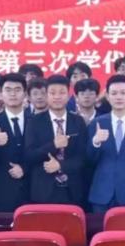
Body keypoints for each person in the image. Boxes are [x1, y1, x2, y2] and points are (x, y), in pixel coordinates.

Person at [86, 74, 125, 213]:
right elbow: (89, 161)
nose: (118, 97)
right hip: (101, 194)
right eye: (114, 93)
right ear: (107, 96)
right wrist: (96, 142)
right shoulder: (97, 123)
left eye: (123, 93)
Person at [24, 75, 88, 205]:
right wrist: (53, 145)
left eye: (62, 92)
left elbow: (83, 157)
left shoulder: (78, 121)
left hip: (72, 190)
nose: (57, 97)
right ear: (46, 95)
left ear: (68, 95)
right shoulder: (34, 121)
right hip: (43, 191)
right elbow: (29, 155)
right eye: (52, 93)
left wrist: (60, 165)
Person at [0, 73, 30, 212]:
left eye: (17, 90)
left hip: (33, 191)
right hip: (2, 192)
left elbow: (41, 154)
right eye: (8, 90)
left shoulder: (36, 121)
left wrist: (24, 168)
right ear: (2, 94)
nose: (13, 94)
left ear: (25, 94)